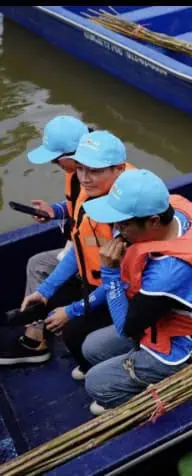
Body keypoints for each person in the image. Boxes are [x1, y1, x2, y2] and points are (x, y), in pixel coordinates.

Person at [80, 169, 192, 416]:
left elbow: (126, 328)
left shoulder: (168, 273)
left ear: (153, 221)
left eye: (123, 223)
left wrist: (110, 273)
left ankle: (140, 394)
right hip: (171, 315)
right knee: (91, 347)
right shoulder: (178, 209)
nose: (117, 230)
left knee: (96, 383)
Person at [0, 130, 135, 380]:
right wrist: (45, 290)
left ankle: (117, 371)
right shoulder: (90, 191)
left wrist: (72, 312)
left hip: (123, 290)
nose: (83, 177)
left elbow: (122, 278)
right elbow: (80, 246)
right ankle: (87, 359)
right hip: (96, 278)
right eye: (80, 169)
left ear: (117, 170)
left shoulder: (129, 212)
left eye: (92, 171)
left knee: (75, 331)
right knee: (51, 302)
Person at [0, 115, 90, 366]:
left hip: (98, 261)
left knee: (40, 265)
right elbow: (78, 208)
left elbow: (91, 238)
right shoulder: (79, 172)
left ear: (73, 154)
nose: (53, 163)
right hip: (81, 248)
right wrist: (56, 211)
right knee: (37, 263)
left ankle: (35, 340)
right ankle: (35, 334)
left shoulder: (96, 179)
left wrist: (68, 310)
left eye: (55, 157)